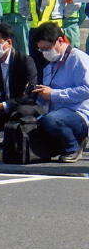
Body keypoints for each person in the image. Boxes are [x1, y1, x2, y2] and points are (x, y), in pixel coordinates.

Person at [30, 22, 89, 162]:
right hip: (58, 112)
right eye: (41, 50)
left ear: (60, 40)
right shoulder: (50, 65)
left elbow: (87, 89)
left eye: (47, 48)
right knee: (27, 115)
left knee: (52, 120)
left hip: (79, 113)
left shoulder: (78, 58)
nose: (45, 53)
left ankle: (73, 147)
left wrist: (53, 94)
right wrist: (39, 94)